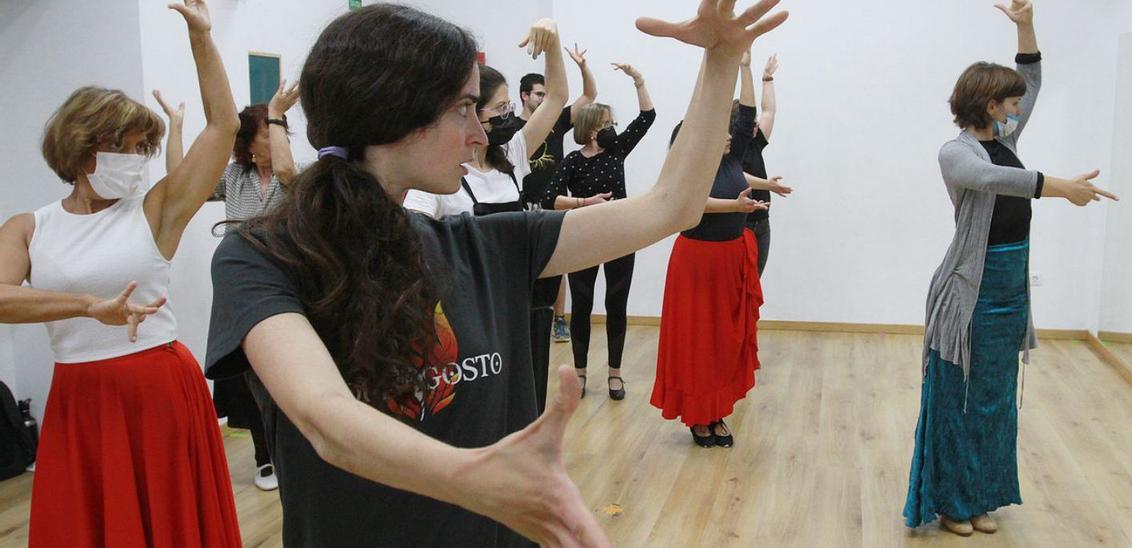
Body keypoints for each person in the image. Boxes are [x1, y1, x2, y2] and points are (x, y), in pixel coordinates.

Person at [203, 1, 787, 546]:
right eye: (463, 108)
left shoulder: (490, 244)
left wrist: (720, 62)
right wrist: (478, 477)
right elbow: (325, 416)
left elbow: (672, 207)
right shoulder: (262, 256)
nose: (481, 133)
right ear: (393, 111)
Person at [0, 1, 242, 545]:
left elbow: (223, 126)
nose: (135, 160)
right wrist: (87, 306)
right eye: (122, 147)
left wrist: (202, 39)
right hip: (81, 396)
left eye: (142, 148)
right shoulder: (28, 227)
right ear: (80, 149)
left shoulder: (156, 210)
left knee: (170, 518)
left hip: (158, 386)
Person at [903, 0, 1118, 536]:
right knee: (960, 394)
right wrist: (1058, 186)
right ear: (989, 104)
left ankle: (982, 497)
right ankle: (951, 501)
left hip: (1009, 289)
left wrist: (1025, 25)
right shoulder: (956, 152)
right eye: (1009, 102)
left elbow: (1032, 80)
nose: (1018, 107)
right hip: (967, 293)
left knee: (997, 399)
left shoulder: (1007, 140)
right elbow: (995, 181)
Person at [402, 19, 569, 412]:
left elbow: (558, 96)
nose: (508, 116)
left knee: (527, 397)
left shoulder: (512, 156)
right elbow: (411, 233)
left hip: (522, 298)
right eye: (500, 109)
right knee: (483, 405)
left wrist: (553, 42)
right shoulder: (440, 180)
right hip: (469, 313)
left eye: (510, 108)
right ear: (470, 113)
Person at [159, 79, 301, 492]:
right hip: (239, 285)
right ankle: (264, 457)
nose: (275, 142)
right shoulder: (235, 177)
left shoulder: (297, 174)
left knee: (284, 369)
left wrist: (276, 110)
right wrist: (176, 126)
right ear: (248, 144)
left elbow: (289, 171)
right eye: (267, 135)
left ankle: (293, 448)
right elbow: (179, 179)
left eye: (279, 133)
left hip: (284, 280)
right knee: (246, 375)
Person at [651, 53, 770, 448]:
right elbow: (690, 202)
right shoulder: (688, 152)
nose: (728, 134)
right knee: (698, 342)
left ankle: (716, 412)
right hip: (697, 261)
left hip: (730, 259)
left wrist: (745, 68)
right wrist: (736, 207)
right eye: (719, 128)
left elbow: (748, 114)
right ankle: (697, 417)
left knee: (723, 341)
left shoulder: (733, 154)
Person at [545, 61, 655, 400]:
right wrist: (584, 202)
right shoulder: (573, 161)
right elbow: (550, 198)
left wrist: (638, 79)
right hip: (583, 238)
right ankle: (579, 373)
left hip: (620, 235)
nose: (613, 128)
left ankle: (615, 375)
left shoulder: (618, 150)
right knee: (582, 304)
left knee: (616, 304)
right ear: (592, 129)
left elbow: (646, 118)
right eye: (607, 124)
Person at [518, 44, 598, 345]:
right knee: (524, 265)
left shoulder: (557, 121)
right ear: (525, 95)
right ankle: (523, 317)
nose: (544, 98)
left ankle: (558, 320)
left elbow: (589, 95)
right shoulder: (512, 130)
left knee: (557, 262)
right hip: (521, 206)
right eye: (539, 94)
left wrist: (582, 67)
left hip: (554, 204)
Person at [739, 51, 789, 276]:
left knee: (754, 284)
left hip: (762, 223)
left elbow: (770, 111)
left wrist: (767, 79)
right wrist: (768, 185)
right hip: (740, 224)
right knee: (738, 283)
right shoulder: (729, 151)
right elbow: (738, 175)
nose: (757, 123)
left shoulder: (755, 142)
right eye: (752, 121)